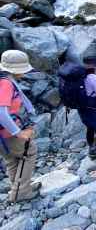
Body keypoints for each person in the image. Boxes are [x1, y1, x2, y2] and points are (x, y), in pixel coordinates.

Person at [0, 50, 40, 202]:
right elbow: (2, 113)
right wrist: (18, 132)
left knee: (12, 159)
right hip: (7, 133)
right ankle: (21, 192)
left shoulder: (4, 78)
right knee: (29, 151)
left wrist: (31, 112)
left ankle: (19, 188)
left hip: (2, 134)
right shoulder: (5, 83)